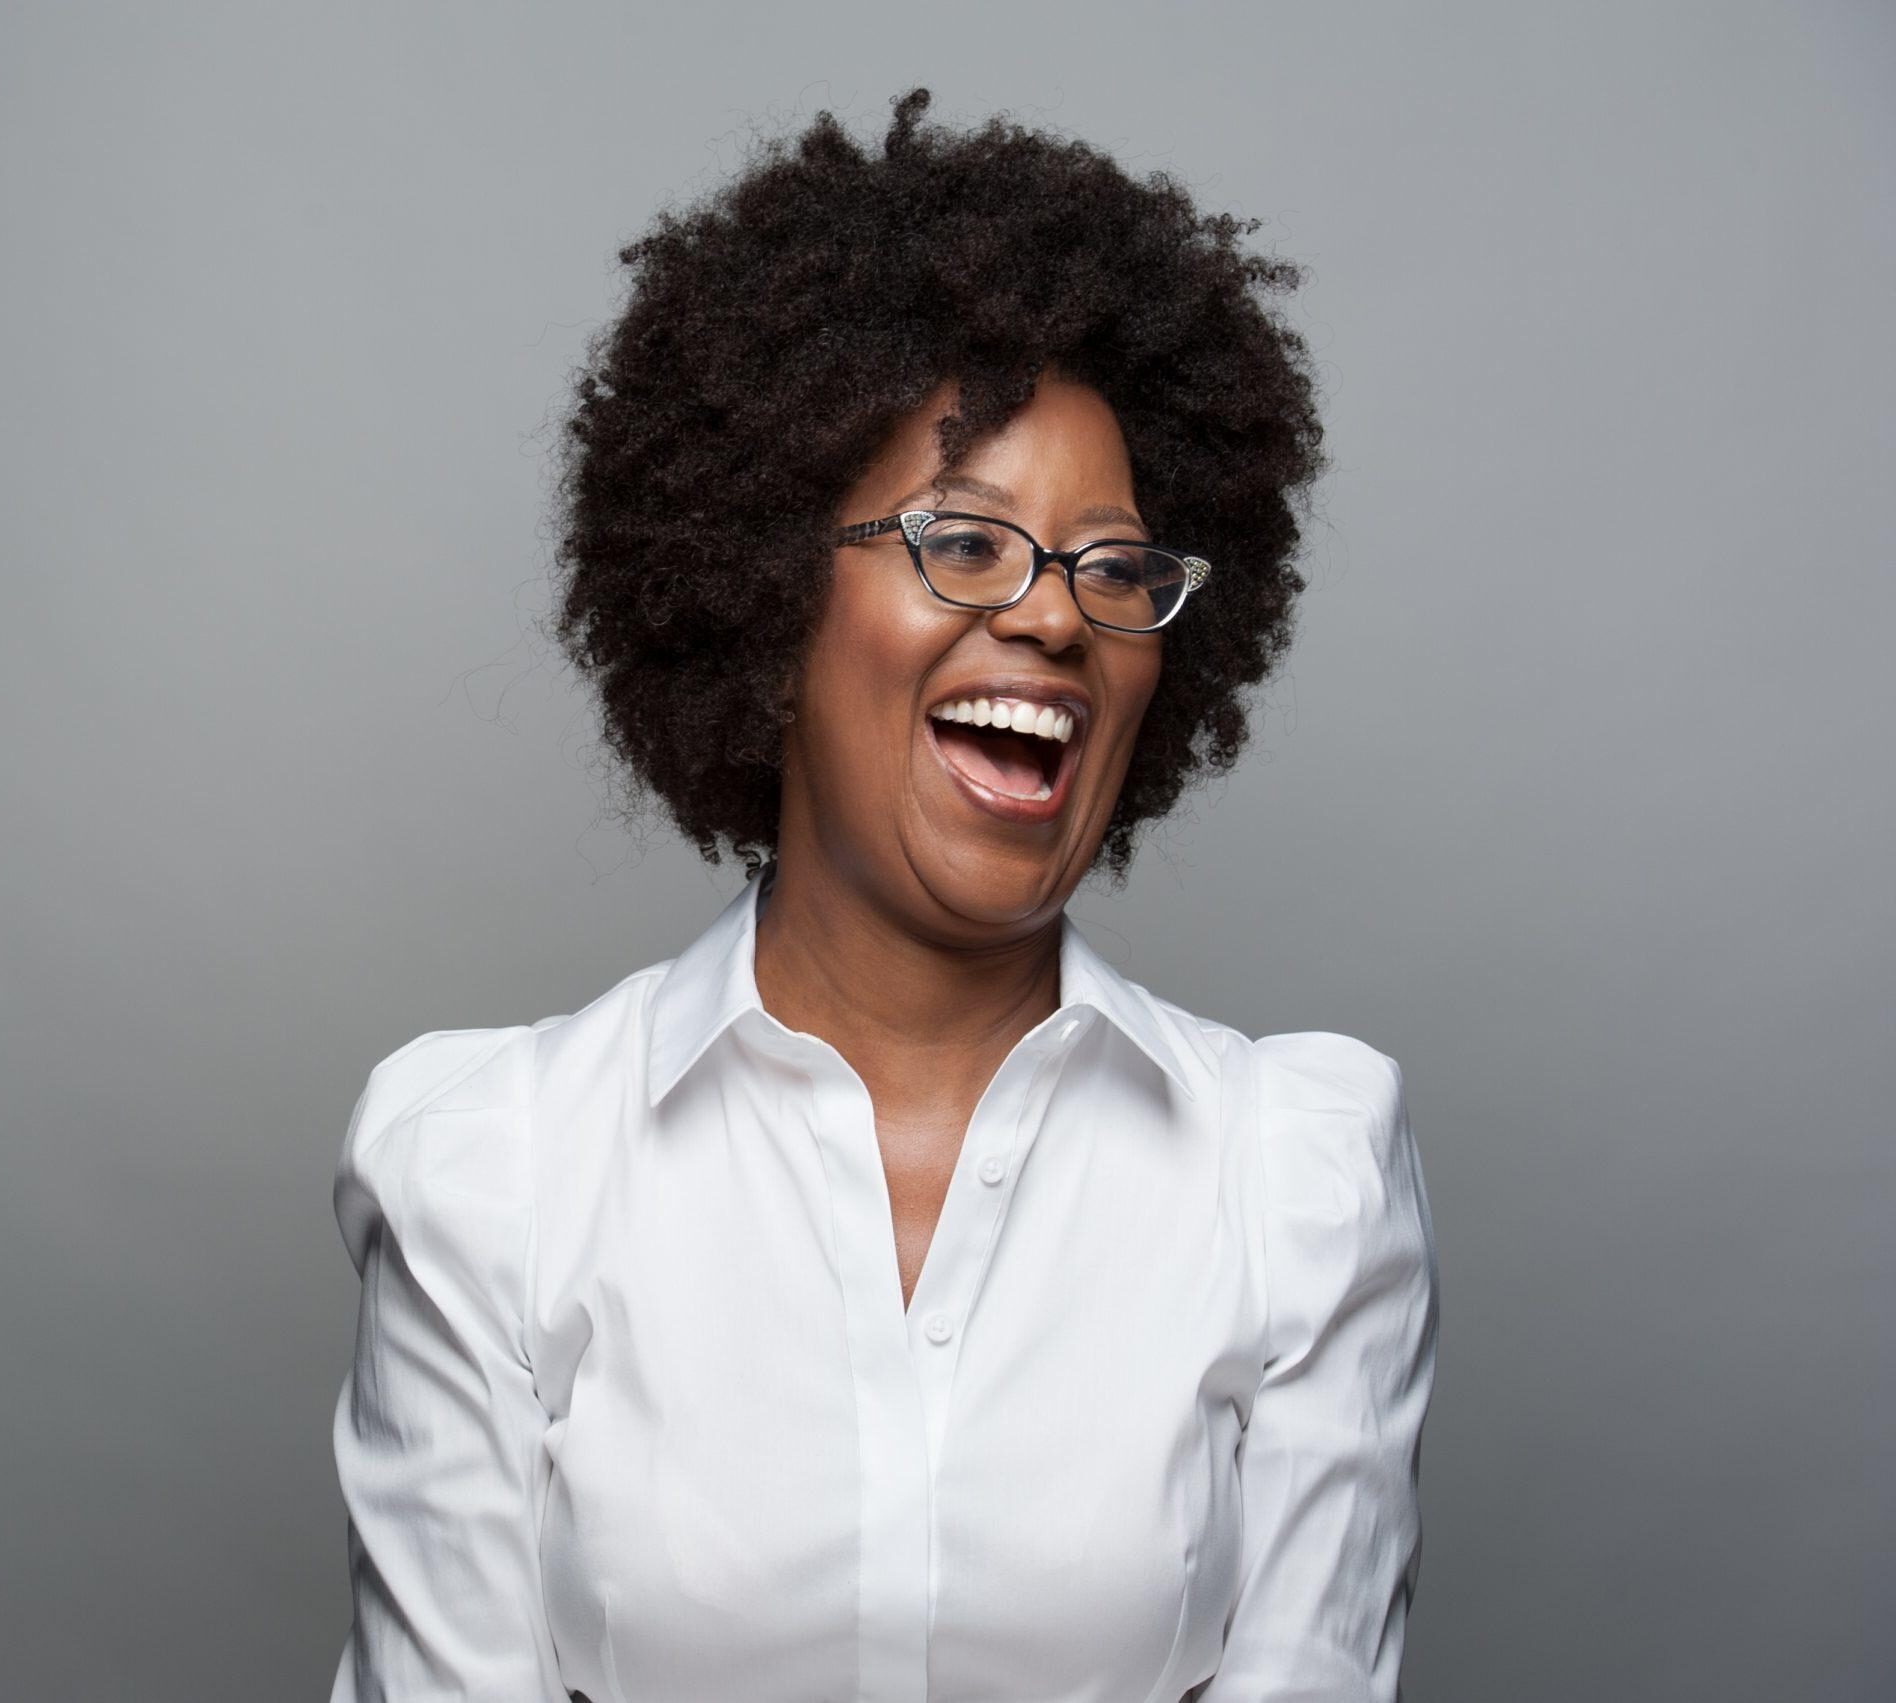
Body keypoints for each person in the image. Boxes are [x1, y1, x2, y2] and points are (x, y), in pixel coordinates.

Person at [327, 88, 1438, 1703]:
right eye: (966, 546)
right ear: (768, 589)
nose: (1056, 623)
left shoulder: (1298, 1185)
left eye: (1114, 571)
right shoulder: (496, 1178)